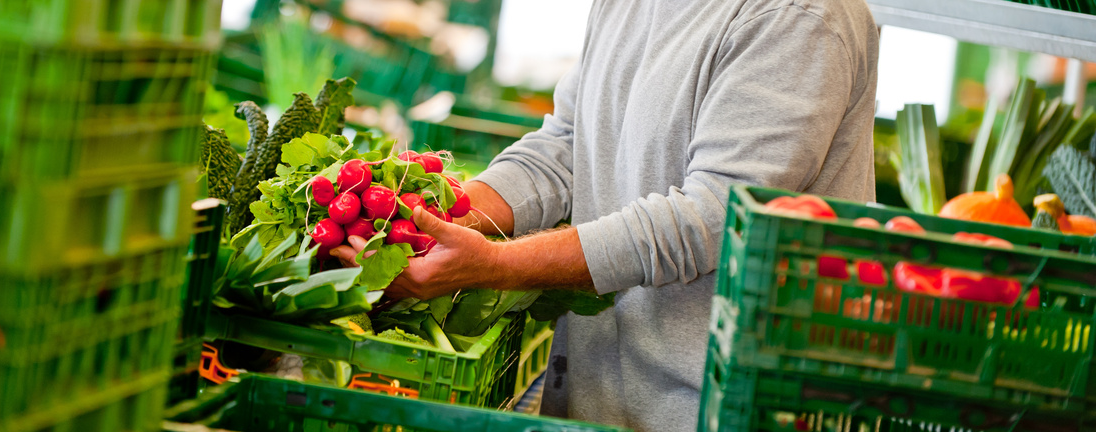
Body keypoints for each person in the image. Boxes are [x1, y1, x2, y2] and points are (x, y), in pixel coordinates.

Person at [332, 0, 879, 430]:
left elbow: (710, 219)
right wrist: (440, 217)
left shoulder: (800, 16)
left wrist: (494, 265)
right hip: (602, 390)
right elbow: (567, 145)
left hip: (715, 405)